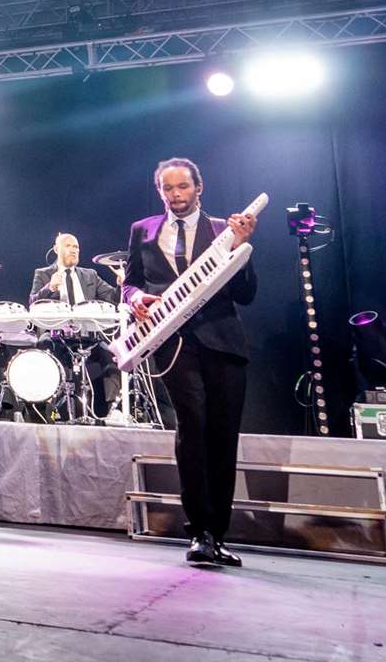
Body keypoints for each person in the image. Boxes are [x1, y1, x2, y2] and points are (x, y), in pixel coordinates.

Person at [123, 157, 258, 567]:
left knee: (223, 436)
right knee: (192, 429)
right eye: (168, 189)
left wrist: (240, 246)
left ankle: (218, 533)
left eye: (183, 187)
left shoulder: (224, 230)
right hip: (173, 345)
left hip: (223, 343)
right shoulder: (142, 231)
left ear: (199, 187)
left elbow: (247, 294)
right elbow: (131, 280)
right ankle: (199, 532)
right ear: (159, 191)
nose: (176, 196)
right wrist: (134, 299)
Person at [30, 232, 122, 417]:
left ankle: (114, 410)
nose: (74, 250)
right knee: (43, 346)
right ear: (57, 249)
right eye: (69, 246)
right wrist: (50, 287)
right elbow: (32, 304)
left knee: (113, 354)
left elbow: (113, 299)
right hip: (58, 335)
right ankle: (45, 409)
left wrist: (121, 284)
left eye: (76, 247)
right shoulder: (43, 273)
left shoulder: (90, 275)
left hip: (88, 336)